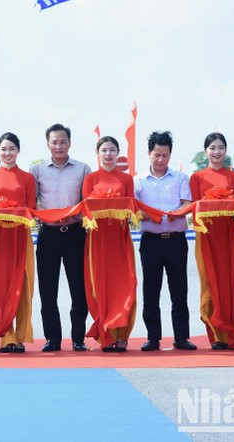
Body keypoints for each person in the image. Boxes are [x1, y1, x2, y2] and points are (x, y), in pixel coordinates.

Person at [29, 123, 90, 352]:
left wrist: (73, 215)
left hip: (75, 234)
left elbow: (87, 203)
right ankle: (52, 339)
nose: (59, 146)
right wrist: (49, 216)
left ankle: (78, 338)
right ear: (48, 144)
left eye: (63, 141)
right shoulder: (37, 171)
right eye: (54, 142)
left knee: (79, 288)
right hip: (49, 235)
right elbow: (32, 203)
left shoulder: (83, 169)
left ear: (70, 143)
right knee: (47, 289)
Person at [134, 131, 196, 352]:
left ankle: (182, 337)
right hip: (151, 241)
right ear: (148, 153)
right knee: (151, 291)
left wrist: (176, 213)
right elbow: (135, 210)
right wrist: (149, 215)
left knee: (179, 290)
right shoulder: (138, 181)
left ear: (170, 155)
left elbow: (187, 203)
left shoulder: (181, 178)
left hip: (176, 241)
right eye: (156, 155)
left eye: (165, 155)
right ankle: (153, 337)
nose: (160, 160)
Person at [0, 132, 36, 353]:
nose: (7, 153)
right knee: (0, 286)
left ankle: (20, 336)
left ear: (18, 151)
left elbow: (31, 209)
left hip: (20, 237)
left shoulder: (27, 178)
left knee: (22, 285)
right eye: (3, 148)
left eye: (12, 148)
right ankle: (6, 336)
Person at [189, 133, 234, 350]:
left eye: (220, 147)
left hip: (229, 237)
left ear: (226, 150)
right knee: (209, 283)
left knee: (231, 283)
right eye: (212, 148)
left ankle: (231, 335)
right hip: (207, 237)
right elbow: (194, 208)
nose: (217, 152)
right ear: (206, 151)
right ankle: (215, 335)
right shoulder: (197, 178)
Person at [82, 136, 136, 352]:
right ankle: (106, 334)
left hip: (120, 239)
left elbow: (132, 208)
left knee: (125, 284)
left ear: (118, 152)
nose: (108, 154)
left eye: (112, 150)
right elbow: (85, 210)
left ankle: (122, 334)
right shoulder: (91, 179)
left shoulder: (126, 179)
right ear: (98, 153)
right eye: (104, 150)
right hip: (97, 240)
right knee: (100, 286)